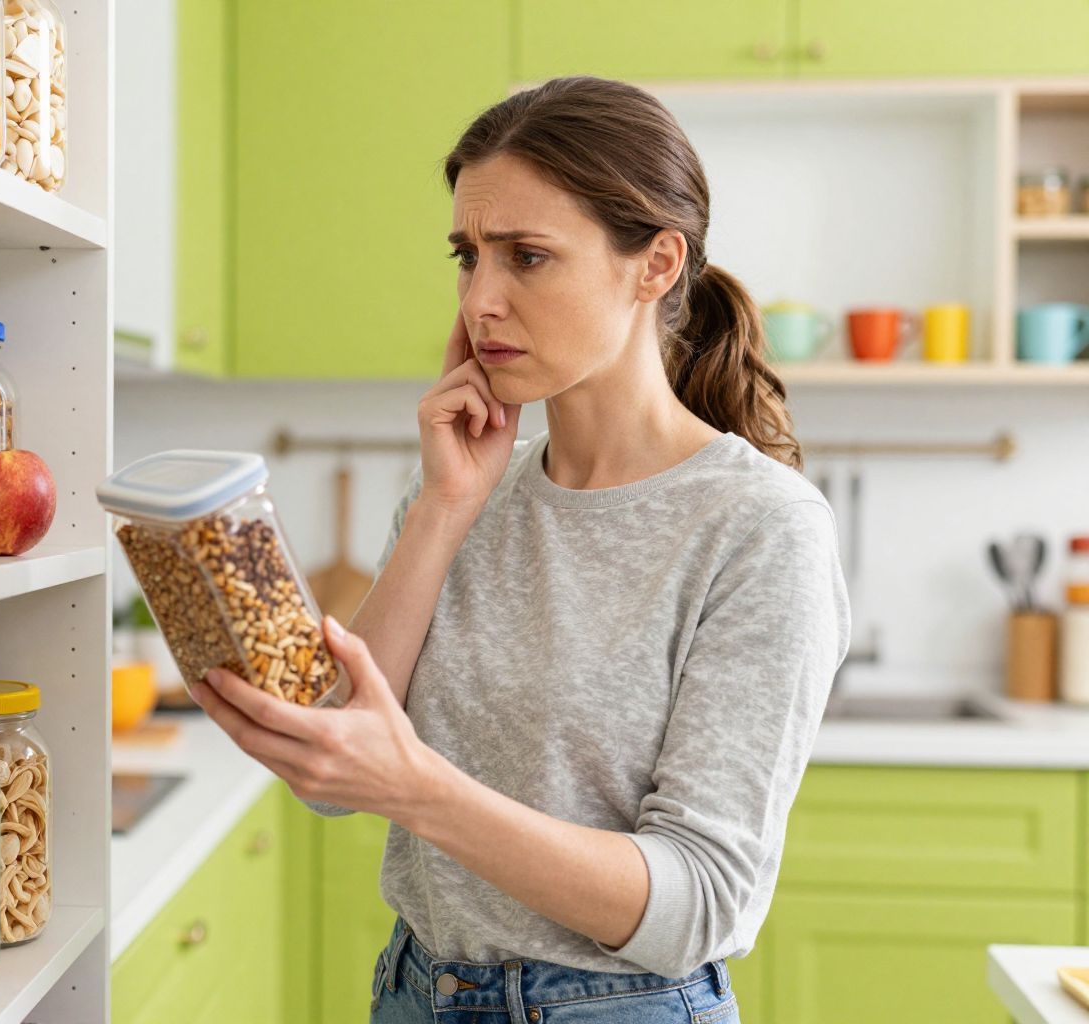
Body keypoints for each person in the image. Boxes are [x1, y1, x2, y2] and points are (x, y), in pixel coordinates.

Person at [190, 75, 851, 1024]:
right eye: (468, 257)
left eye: (528, 257)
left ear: (656, 263)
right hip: (415, 991)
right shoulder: (459, 482)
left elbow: (700, 902)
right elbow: (334, 765)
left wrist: (418, 792)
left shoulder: (760, 527)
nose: (481, 300)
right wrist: (446, 509)